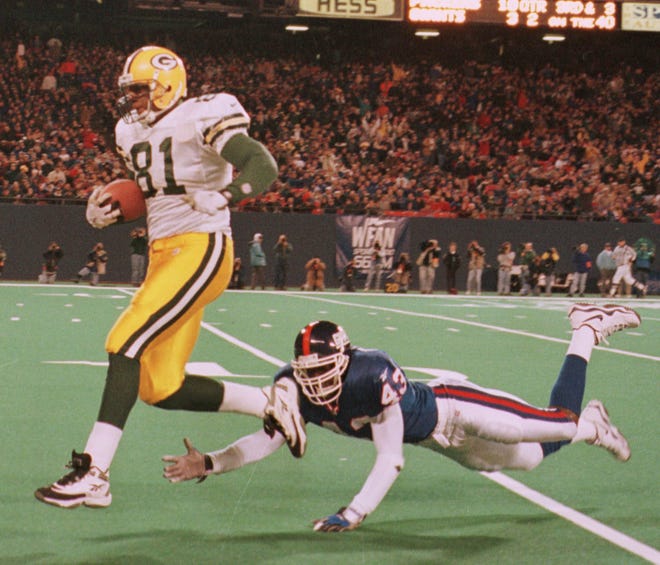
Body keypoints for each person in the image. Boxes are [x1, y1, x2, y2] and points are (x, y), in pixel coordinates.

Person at [35, 45, 278, 509]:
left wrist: (227, 195)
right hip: (164, 252)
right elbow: (156, 192)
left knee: (125, 339)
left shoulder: (203, 114)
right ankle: (268, 402)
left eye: (141, 91)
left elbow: (262, 164)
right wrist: (110, 211)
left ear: (168, 85)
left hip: (202, 246)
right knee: (159, 386)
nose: (133, 102)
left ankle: (94, 473)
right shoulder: (129, 131)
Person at [163, 306, 640, 532]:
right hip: (436, 439)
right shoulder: (301, 391)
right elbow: (266, 439)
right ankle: (593, 427)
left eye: (324, 371)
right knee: (530, 460)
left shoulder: (373, 373)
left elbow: (390, 457)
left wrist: (353, 513)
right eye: (308, 373)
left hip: (456, 407)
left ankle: (586, 328)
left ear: (346, 361)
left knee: (558, 422)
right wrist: (210, 463)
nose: (316, 383)